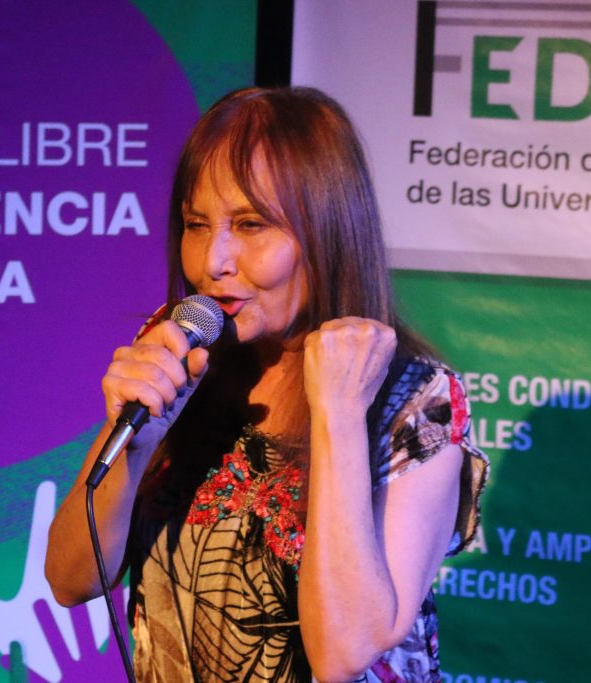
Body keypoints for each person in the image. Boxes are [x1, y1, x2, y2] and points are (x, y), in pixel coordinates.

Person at [45, 86, 488, 683]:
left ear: (327, 232)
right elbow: (71, 578)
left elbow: (342, 652)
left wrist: (336, 411)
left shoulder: (415, 399)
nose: (213, 261)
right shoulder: (186, 353)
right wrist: (135, 438)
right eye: (197, 224)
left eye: (251, 225)